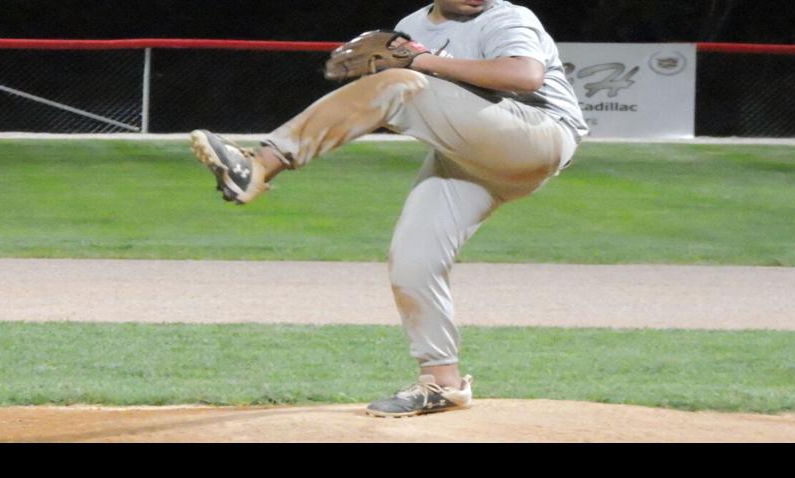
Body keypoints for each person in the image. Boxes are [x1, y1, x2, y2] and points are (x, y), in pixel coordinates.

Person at [188, 0, 587, 417]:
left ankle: (260, 165)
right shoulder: (412, 26)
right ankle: (442, 382)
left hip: (538, 133)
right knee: (414, 258)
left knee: (401, 84)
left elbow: (525, 76)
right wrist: (376, 90)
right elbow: (421, 97)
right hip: (471, 155)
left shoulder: (506, 17)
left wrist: (419, 64)